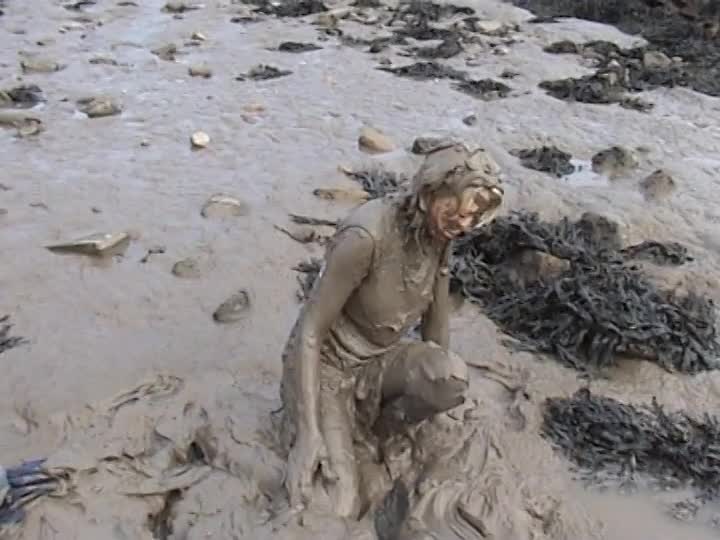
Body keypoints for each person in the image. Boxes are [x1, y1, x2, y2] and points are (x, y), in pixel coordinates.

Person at [278, 142, 505, 519]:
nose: (464, 225)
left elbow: (436, 331)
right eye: (458, 212)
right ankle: (328, 431)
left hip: (379, 360)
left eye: (473, 218)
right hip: (328, 366)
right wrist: (307, 433)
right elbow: (309, 332)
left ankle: (370, 434)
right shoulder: (365, 236)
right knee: (338, 506)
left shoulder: (440, 234)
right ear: (430, 194)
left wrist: (436, 402)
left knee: (449, 377)